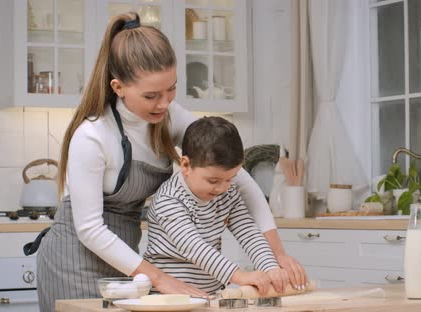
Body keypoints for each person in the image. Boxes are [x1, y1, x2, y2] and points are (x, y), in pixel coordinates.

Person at [35, 12, 306, 312]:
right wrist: (159, 279)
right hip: (75, 262)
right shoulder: (93, 136)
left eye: (171, 89)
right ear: (118, 87)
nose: (164, 103)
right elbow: (90, 230)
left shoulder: (168, 116)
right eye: (151, 95)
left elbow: (239, 179)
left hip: (131, 266)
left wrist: (278, 255)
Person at [145, 116, 288, 295]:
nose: (222, 188)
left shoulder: (227, 193)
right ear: (186, 165)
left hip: (209, 295)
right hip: (167, 298)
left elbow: (248, 232)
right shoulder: (169, 201)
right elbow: (195, 248)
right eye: (213, 180)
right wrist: (240, 276)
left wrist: (270, 267)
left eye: (230, 179)